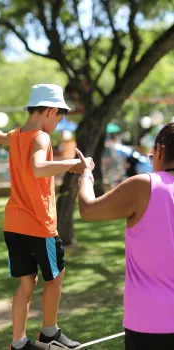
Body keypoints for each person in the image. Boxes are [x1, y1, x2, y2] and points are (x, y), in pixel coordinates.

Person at [0, 84, 94, 350]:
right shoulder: (40, 137)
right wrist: (75, 164)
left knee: (26, 282)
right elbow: (38, 168)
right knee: (57, 275)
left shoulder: (16, 135)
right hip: (39, 223)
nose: (60, 121)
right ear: (50, 111)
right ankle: (49, 332)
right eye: (60, 116)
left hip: (14, 223)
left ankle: (18, 342)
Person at [77, 122, 174, 350]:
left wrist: (85, 176)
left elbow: (88, 209)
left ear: (159, 149)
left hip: (149, 323)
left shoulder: (145, 186)